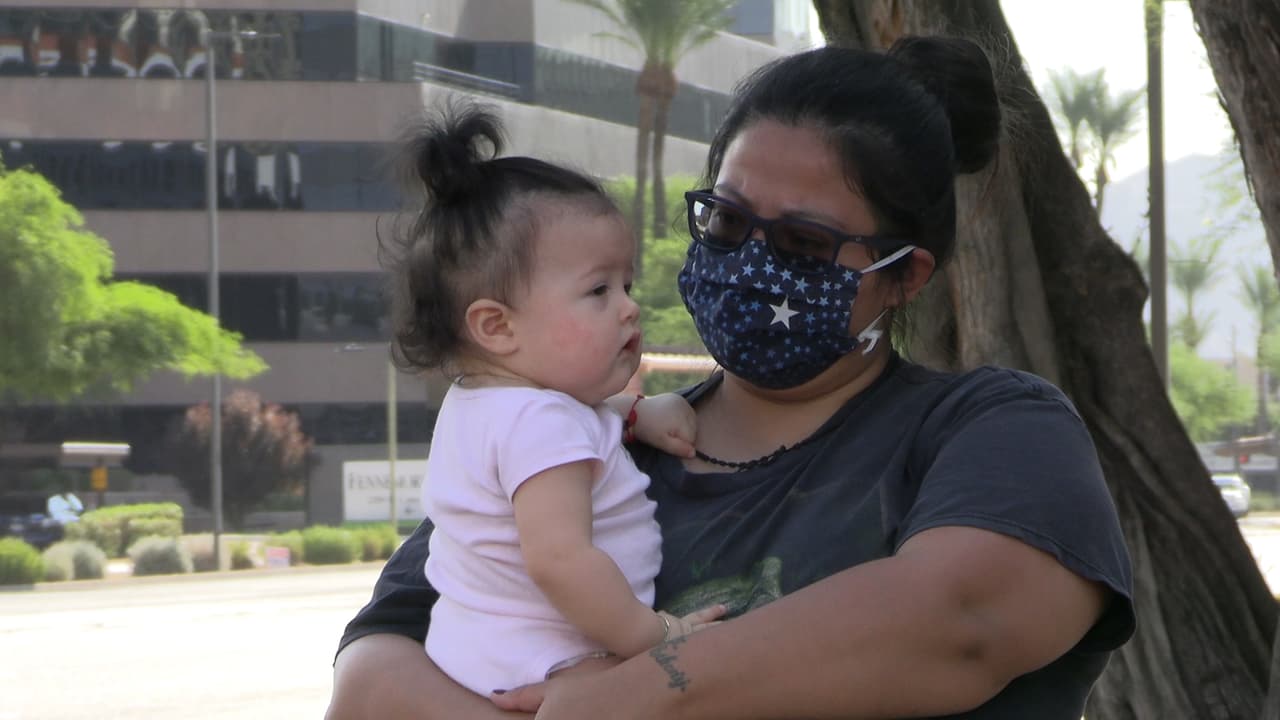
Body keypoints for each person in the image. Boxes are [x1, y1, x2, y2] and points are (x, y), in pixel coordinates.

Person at [327, 37, 1134, 720]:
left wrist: (633, 696)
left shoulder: (992, 431)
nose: (751, 260)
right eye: (727, 220)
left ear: (904, 276)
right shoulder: (577, 428)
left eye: (806, 244)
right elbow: (373, 680)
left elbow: (963, 619)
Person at [380, 102, 724, 698]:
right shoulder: (543, 424)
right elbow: (559, 560)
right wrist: (654, 636)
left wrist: (636, 412)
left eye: (627, 284)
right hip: (558, 656)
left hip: (474, 651)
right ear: (497, 327)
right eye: (598, 289)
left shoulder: (484, 404)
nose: (629, 306)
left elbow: (573, 430)